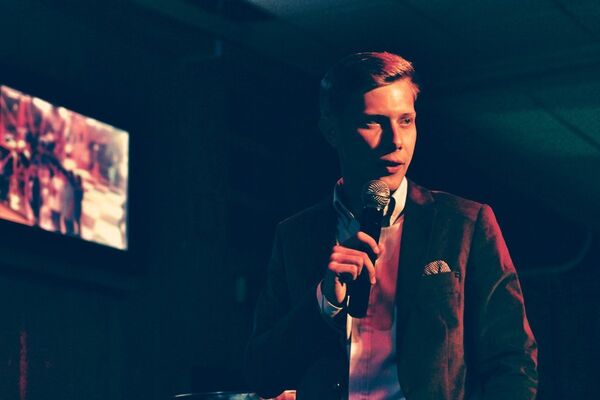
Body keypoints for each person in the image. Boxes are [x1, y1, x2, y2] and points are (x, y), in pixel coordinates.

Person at [244, 52, 538, 400]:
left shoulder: (464, 224)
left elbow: (512, 363)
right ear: (332, 130)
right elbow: (262, 374)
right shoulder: (295, 236)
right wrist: (324, 303)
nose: (396, 140)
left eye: (406, 120)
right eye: (374, 122)